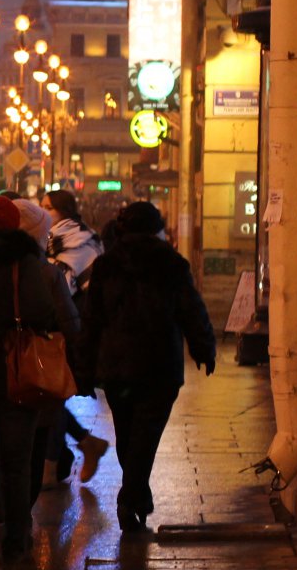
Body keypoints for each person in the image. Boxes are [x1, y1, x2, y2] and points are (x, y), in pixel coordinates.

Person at [0, 196, 79, 570]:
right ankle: (15, 542)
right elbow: (49, 315)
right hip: (16, 375)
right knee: (16, 463)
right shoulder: (32, 265)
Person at [77, 200, 217, 534]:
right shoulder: (170, 263)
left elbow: (91, 321)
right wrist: (203, 348)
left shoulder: (106, 265)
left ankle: (135, 494)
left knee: (128, 435)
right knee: (145, 435)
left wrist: (83, 368)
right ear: (158, 227)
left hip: (117, 368)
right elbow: (190, 309)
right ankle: (132, 497)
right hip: (159, 367)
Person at [39, 188, 110, 483]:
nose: (43, 211)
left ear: (63, 211)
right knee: (51, 397)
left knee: (53, 398)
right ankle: (83, 445)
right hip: (54, 329)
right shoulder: (52, 240)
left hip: (71, 330)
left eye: (48, 207)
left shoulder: (79, 240)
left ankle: (50, 468)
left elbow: (62, 287)